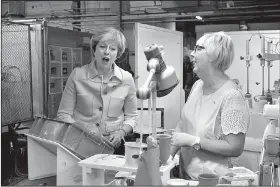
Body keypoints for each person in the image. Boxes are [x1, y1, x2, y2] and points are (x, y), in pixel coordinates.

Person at [170, 31, 250, 180]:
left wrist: (194, 141)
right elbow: (183, 123)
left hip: (209, 180)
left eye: (199, 49)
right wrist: (169, 156)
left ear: (215, 55)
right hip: (185, 174)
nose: (192, 55)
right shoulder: (198, 86)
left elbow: (235, 147)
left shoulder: (231, 96)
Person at [57, 27, 138, 155]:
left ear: (118, 54)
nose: (107, 52)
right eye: (102, 46)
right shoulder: (77, 75)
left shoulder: (126, 79)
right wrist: (85, 129)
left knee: (114, 175)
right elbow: (63, 115)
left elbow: (132, 117)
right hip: (81, 143)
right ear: (94, 50)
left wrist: (121, 133)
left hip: (114, 146)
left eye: (112, 48)